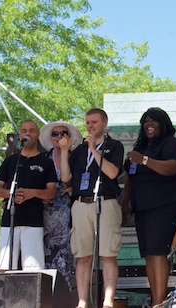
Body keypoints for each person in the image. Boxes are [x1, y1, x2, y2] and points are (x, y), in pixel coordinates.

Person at [121, 107, 176, 307]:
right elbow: (130, 179)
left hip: (165, 203)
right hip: (143, 205)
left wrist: (144, 160)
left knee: (157, 250)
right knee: (149, 252)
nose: (149, 125)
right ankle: (155, 299)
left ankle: (159, 302)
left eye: (154, 121)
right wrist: (126, 206)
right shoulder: (141, 146)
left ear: (163, 123)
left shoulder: (171, 143)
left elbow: (172, 168)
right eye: (146, 121)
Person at [61, 108, 127, 308]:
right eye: (88, 122)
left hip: (106, 201)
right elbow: (65, 178)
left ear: (104, 122)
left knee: (108, 254)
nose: (90, 126)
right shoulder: (79, 150)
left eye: (94, 122)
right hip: (81, 203)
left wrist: (94, 150)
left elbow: (113, 173)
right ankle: (82, 302)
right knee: (83, 256)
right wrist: (64, 152)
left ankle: (107, 301)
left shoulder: (114, 146)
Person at [0, 120, 57, 272]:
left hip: (33, 219)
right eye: (24, 131)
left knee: (33, 268)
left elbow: (51, 192)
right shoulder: (11, 161)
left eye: (31, 130)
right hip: (9, 219)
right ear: (20, 135)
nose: (27, 133)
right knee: (5, 266)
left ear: (37, 134)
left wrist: (33, 193)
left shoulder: (46, 162)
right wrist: (12, 195)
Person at [39, 120, 82, 289]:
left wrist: (75, 189)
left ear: (70, 137)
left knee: (64, 255)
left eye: (63, 133)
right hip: (43, 212)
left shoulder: (77, 158)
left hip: (66, 212)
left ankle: (62, 296)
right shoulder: (43, 160)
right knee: (42, 253)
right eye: (55, 134)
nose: (59, 137)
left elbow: (72, 180)